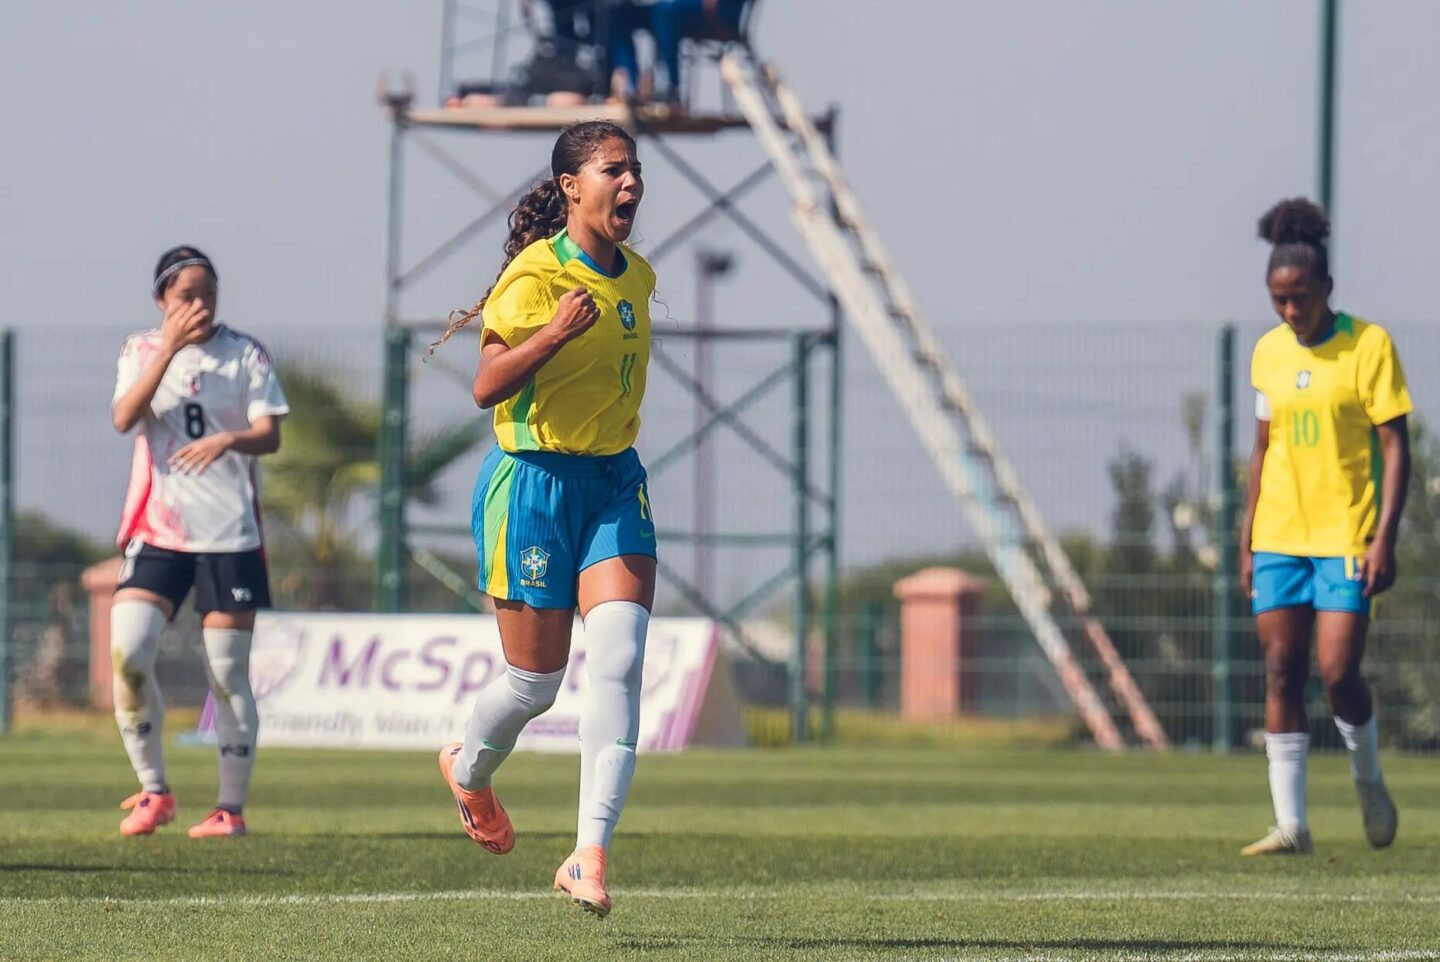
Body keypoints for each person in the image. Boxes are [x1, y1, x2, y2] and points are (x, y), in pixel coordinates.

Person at [429, 120, 655, 918]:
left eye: (634, 169)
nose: (630, 182)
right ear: (570, 186)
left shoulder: (638, 276)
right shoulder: (535, 275)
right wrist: (554, 333)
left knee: (620, 659)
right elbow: (486, 386)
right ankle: (468, 771)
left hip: (614, 483)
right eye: (613, 169)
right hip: (532, 482)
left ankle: (588, 855)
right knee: (536, 684)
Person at [1239, 198, 1411, 856]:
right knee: (1281, 669)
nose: (1290, 310)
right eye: (1278, 299)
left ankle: (1367, 778)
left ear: (1327, 288)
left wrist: (1385, 536)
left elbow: (1396, 446)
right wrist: (1247, 540)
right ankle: (1292, 824)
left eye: (1301, 297)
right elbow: (1262, 450)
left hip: (1345, 536)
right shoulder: (1267, 354)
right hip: (1279, 536)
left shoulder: (1369, 346)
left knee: (1338, 671)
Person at [109, 246, 289, 839]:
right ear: (161, 300)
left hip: (230, 536)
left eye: (208, 292)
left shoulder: (244, 353)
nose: (201, 304)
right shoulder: (140, 350)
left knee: (227, 673)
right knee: (130, 655)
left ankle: (229, 809)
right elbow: (124, 417)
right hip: (157, 534)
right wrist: (168, 349)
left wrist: (229, 440)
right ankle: (154, 791)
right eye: (187, 295)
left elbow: (270, 434)